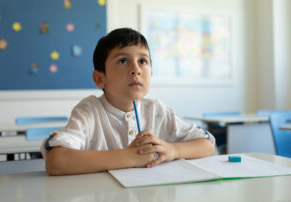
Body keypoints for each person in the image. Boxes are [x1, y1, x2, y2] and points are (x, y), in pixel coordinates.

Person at [41, 28, 215, 176]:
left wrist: (172, 150)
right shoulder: (89, 111)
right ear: (100, 79)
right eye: (123, 61)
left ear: (151, 75)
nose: (136, 70)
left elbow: (207, 145)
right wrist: (131, 156)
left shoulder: (157, 110)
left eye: (143, 61)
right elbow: (57, 161)